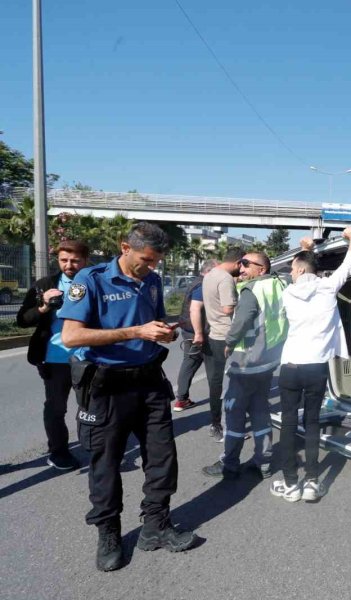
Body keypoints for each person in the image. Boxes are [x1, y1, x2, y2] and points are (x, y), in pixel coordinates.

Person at [58, 222, 197, 572]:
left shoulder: (150, 280)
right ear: (124, 246)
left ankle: (156, 525)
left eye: (156, 262)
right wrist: (136, 331)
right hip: (106, 385)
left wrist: (160, 331)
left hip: (149, 380)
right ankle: (108, 533)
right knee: (106, 464)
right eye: (146, 260)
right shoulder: (90, 280)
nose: (152, 268)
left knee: (163, 456)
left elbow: (150, 321)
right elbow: (72, 337)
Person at [270, 228, 351, 503]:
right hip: (316, 369)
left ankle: (290, 484)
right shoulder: (328, 287)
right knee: (311, 424)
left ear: (296, 271)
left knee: (287, 424)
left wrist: (307, 250)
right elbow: (347, 264)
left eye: (294, 270)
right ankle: (311, 482)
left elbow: (303, 272)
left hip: (291, 367)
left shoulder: (287, 293)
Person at [201, 251, 286, 480]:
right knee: (260, 411)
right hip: (267, 362)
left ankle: (230, 464)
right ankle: (264, 462)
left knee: (234, 414)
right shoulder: (277, 285)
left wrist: (229, 342)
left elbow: (242, 319)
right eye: (241, 263)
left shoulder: (252, 290)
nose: (242, 268)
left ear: (262, 269)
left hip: (245, 361)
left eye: (247, 264)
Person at [16, 239, 90, 471]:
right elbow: (22, 320)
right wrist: (43, 306)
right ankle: (58, 452)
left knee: (91, 409)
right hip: (55, 359)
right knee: (56, 409)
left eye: (75, 260)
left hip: (88, 357)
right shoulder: (45, 284)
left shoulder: (95, 283)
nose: (69, 265)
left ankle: (97, 449)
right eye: (64, 260)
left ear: (85, 260)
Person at [202, 248, 243, 441]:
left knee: (216, 382)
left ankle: (215, 423)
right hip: (226, 336)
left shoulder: (210, 275)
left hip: (213, 334)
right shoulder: (226, 278)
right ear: (236, 263)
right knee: (229, 384)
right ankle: (224, 427)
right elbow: (228, 308)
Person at [172, 258, 218, 412]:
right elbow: (195, 309)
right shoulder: (204, 285)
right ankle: (216, 403)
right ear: (210, 271)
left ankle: (181, 400)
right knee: (213, 367)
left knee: (189, 363)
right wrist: (199, 333)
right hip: (200, 332)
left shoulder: (196, 282)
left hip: (189, 330)